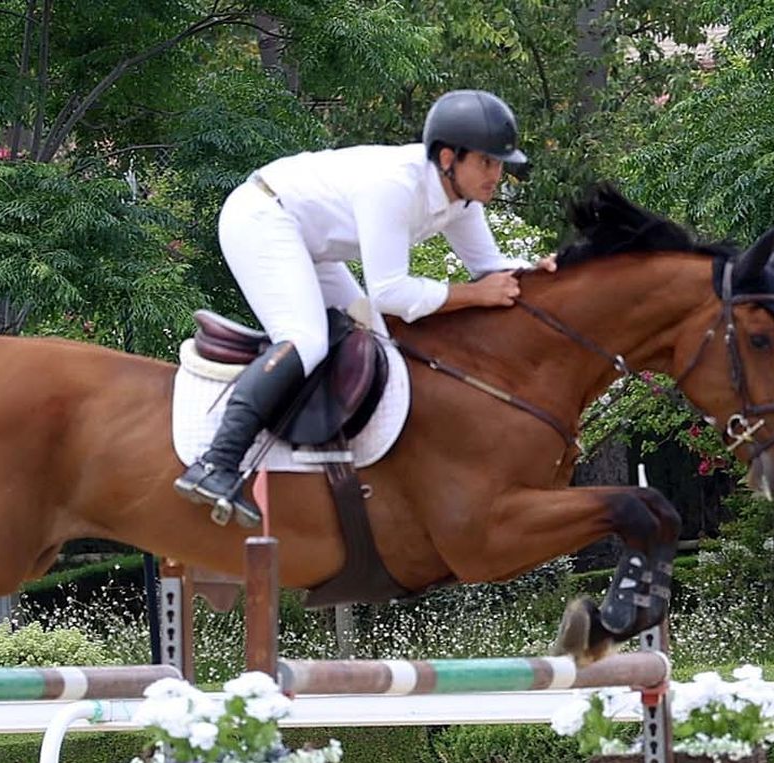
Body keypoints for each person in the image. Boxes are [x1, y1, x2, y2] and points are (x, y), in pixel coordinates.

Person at [175, 89, 558, 527]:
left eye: (500, 163)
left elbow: (491, 268)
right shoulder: (395, 185)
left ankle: (333, 474)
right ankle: (215, 464)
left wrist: (538, 273)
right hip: (263, 217)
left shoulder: (462, 199)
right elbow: (391, 293)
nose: (497, 174)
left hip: (310, 242)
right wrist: (474, 295)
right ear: (449, 158)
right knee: (306, 340)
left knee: (377, 344)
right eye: (487, 162)